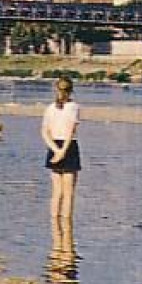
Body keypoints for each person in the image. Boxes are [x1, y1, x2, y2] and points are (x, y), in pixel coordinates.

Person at [40, 77, 81, 229]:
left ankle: (54, 225)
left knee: (56, 191)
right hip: (68, 146)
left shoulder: (50, 108)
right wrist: (63, 151)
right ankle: (66, 225)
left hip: (54, 145)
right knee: (68, 192)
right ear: (70, 91)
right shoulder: (74, 107)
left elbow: (44, 132)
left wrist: (55, 150)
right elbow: (71, 131)